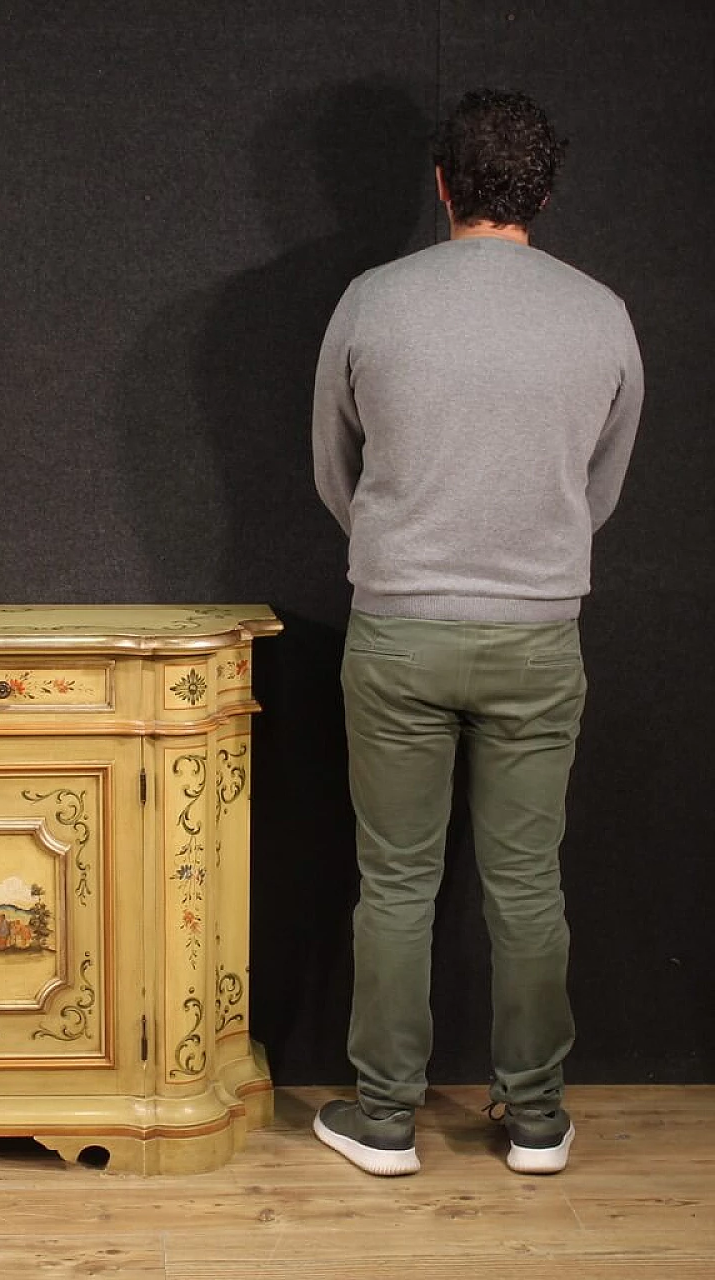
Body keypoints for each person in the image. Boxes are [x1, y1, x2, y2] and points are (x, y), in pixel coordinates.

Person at [309, 88, 644, 1177]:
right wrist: (531, 553)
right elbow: (598, 482)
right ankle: (535, 1117)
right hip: (538, 636)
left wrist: (406, 545)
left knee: (394, 881)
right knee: (528, 882)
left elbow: (334, 470)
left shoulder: (371, 301)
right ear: (540, 191)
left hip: (398, 628)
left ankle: (384, 1118)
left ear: (442, 184)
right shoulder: (599, 313)